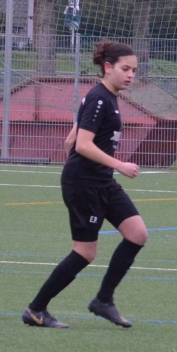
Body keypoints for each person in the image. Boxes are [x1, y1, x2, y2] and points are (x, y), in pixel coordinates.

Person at [23, 40, 148, 329]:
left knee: (137, 234)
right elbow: (81, 145)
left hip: (101, 181)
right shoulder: (100, 98)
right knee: (85, 252)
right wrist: (118, 164)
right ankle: (36, 309)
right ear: (108, 67)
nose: (131, 75)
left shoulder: (107, 97)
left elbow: (71, 139)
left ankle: (103, 300)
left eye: (134, 70)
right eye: (125, 69)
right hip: (85, 183)